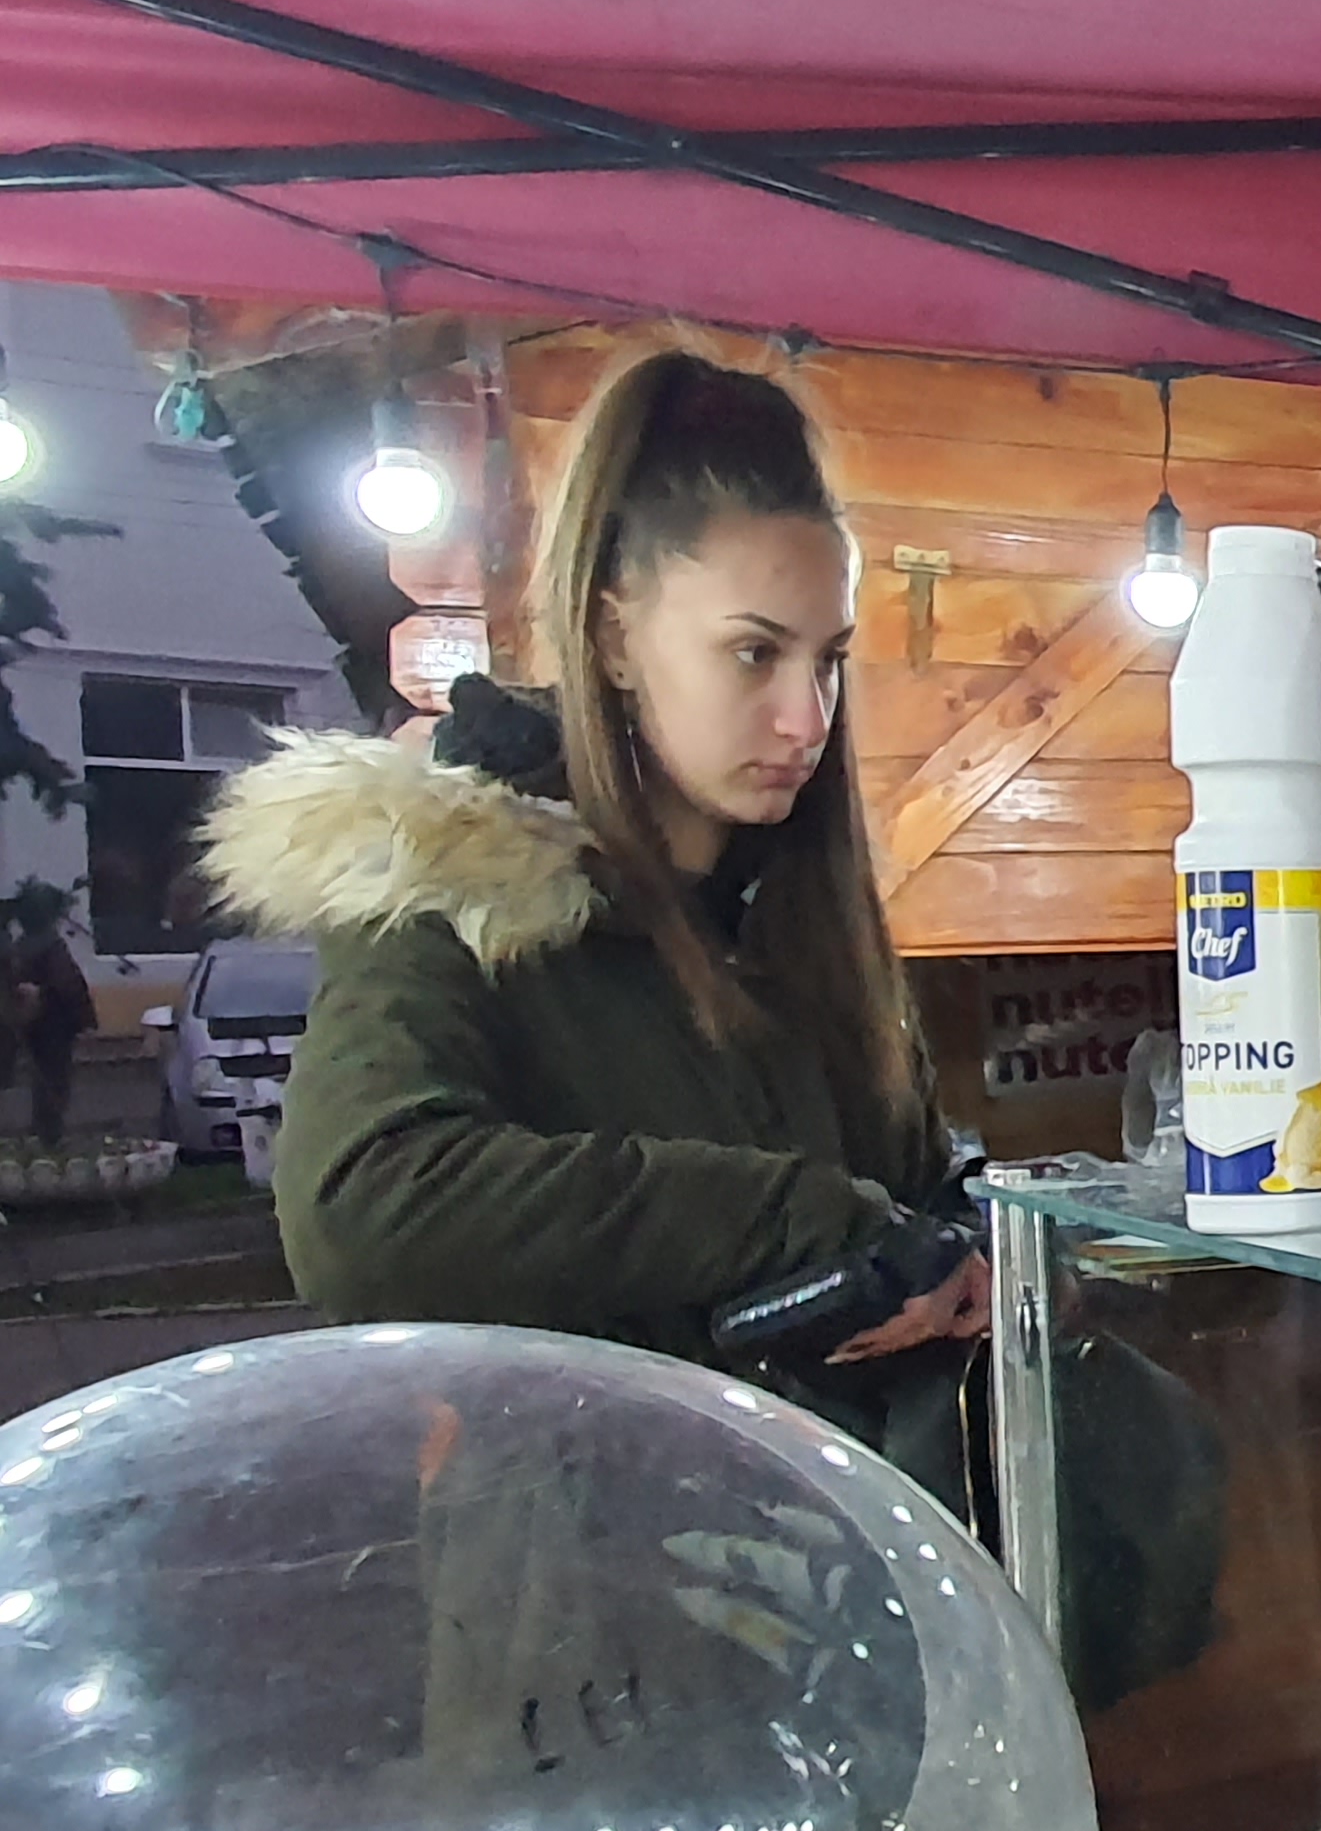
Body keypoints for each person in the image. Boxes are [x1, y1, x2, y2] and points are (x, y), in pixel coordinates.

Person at [203, 349, 987, 1406]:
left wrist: (965, 1247)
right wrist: (800, 1217)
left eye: (829, 659)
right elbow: (359, 1212)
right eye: (754, 654)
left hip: (842, 1501)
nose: (807, 718)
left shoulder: (801, 912)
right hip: (587, 1506)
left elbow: (917, 1184)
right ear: (615, 638)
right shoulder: (449, 882)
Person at [6, 887, 90, 1145]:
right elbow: (67, 986)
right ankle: (49, 1138)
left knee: (44, 1081)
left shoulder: (22, 947)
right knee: (53, 1083)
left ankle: (44, 1134)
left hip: (37, 1025)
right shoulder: (50, 947)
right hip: (53, 1026)